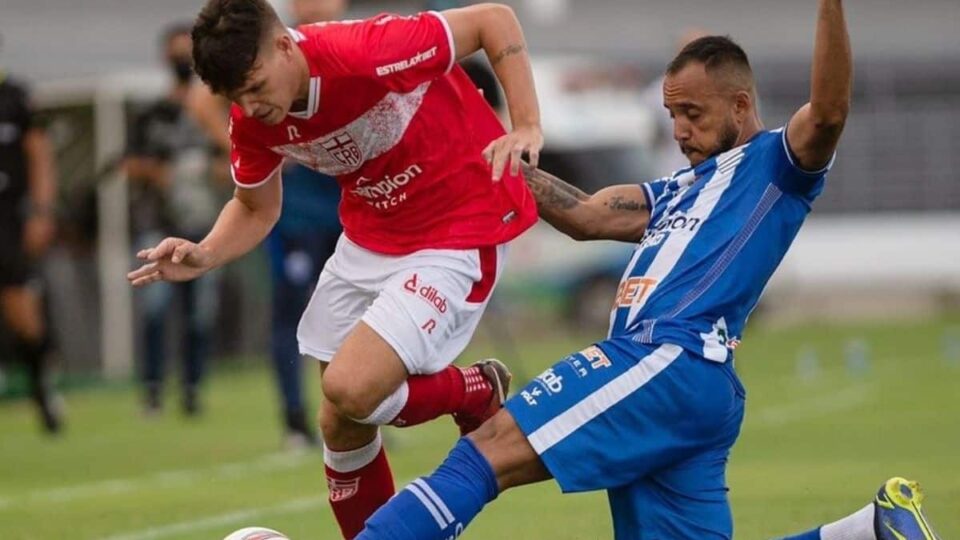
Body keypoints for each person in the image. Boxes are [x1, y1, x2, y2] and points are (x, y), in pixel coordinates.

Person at [356, 2, 934, 539]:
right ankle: (870, 530)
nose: (679, 130)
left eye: (692, 114)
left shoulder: (775, 165)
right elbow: (586, 215)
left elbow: (828, 112)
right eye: (672, 114)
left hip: (667, 357)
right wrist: (488, 152)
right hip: (687, 388)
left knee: (490, 447)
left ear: (740, 105)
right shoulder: (678, 189)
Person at [127, 1, 543, 537]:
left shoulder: (368, 50)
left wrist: (526, 125)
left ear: (284, 46)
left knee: (352, 388)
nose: (250, 107)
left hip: (459, 223)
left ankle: (472, 390)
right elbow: (255, 207)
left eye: (256, 87)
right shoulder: (252, 118)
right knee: (340, 421)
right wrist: (205, 253)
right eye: (236, 97)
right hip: (373, 234)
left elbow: (494, 21)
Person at [124, 23, 225, 416]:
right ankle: (152, 389)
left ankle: (192, 389)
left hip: (203, 226)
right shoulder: (153, 113)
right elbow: (129, 163)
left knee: (200, 313)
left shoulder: (213, 112)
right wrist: (160, 173)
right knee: (155, 308)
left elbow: (232, 162)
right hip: (160, 224)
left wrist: (209, 171)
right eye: (176, 53)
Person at [0, 54, 62, 434]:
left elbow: (40, 154)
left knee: (22, 312)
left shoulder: (16, 97)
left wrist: (41, 210)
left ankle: (42, 389)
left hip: (8, 220)